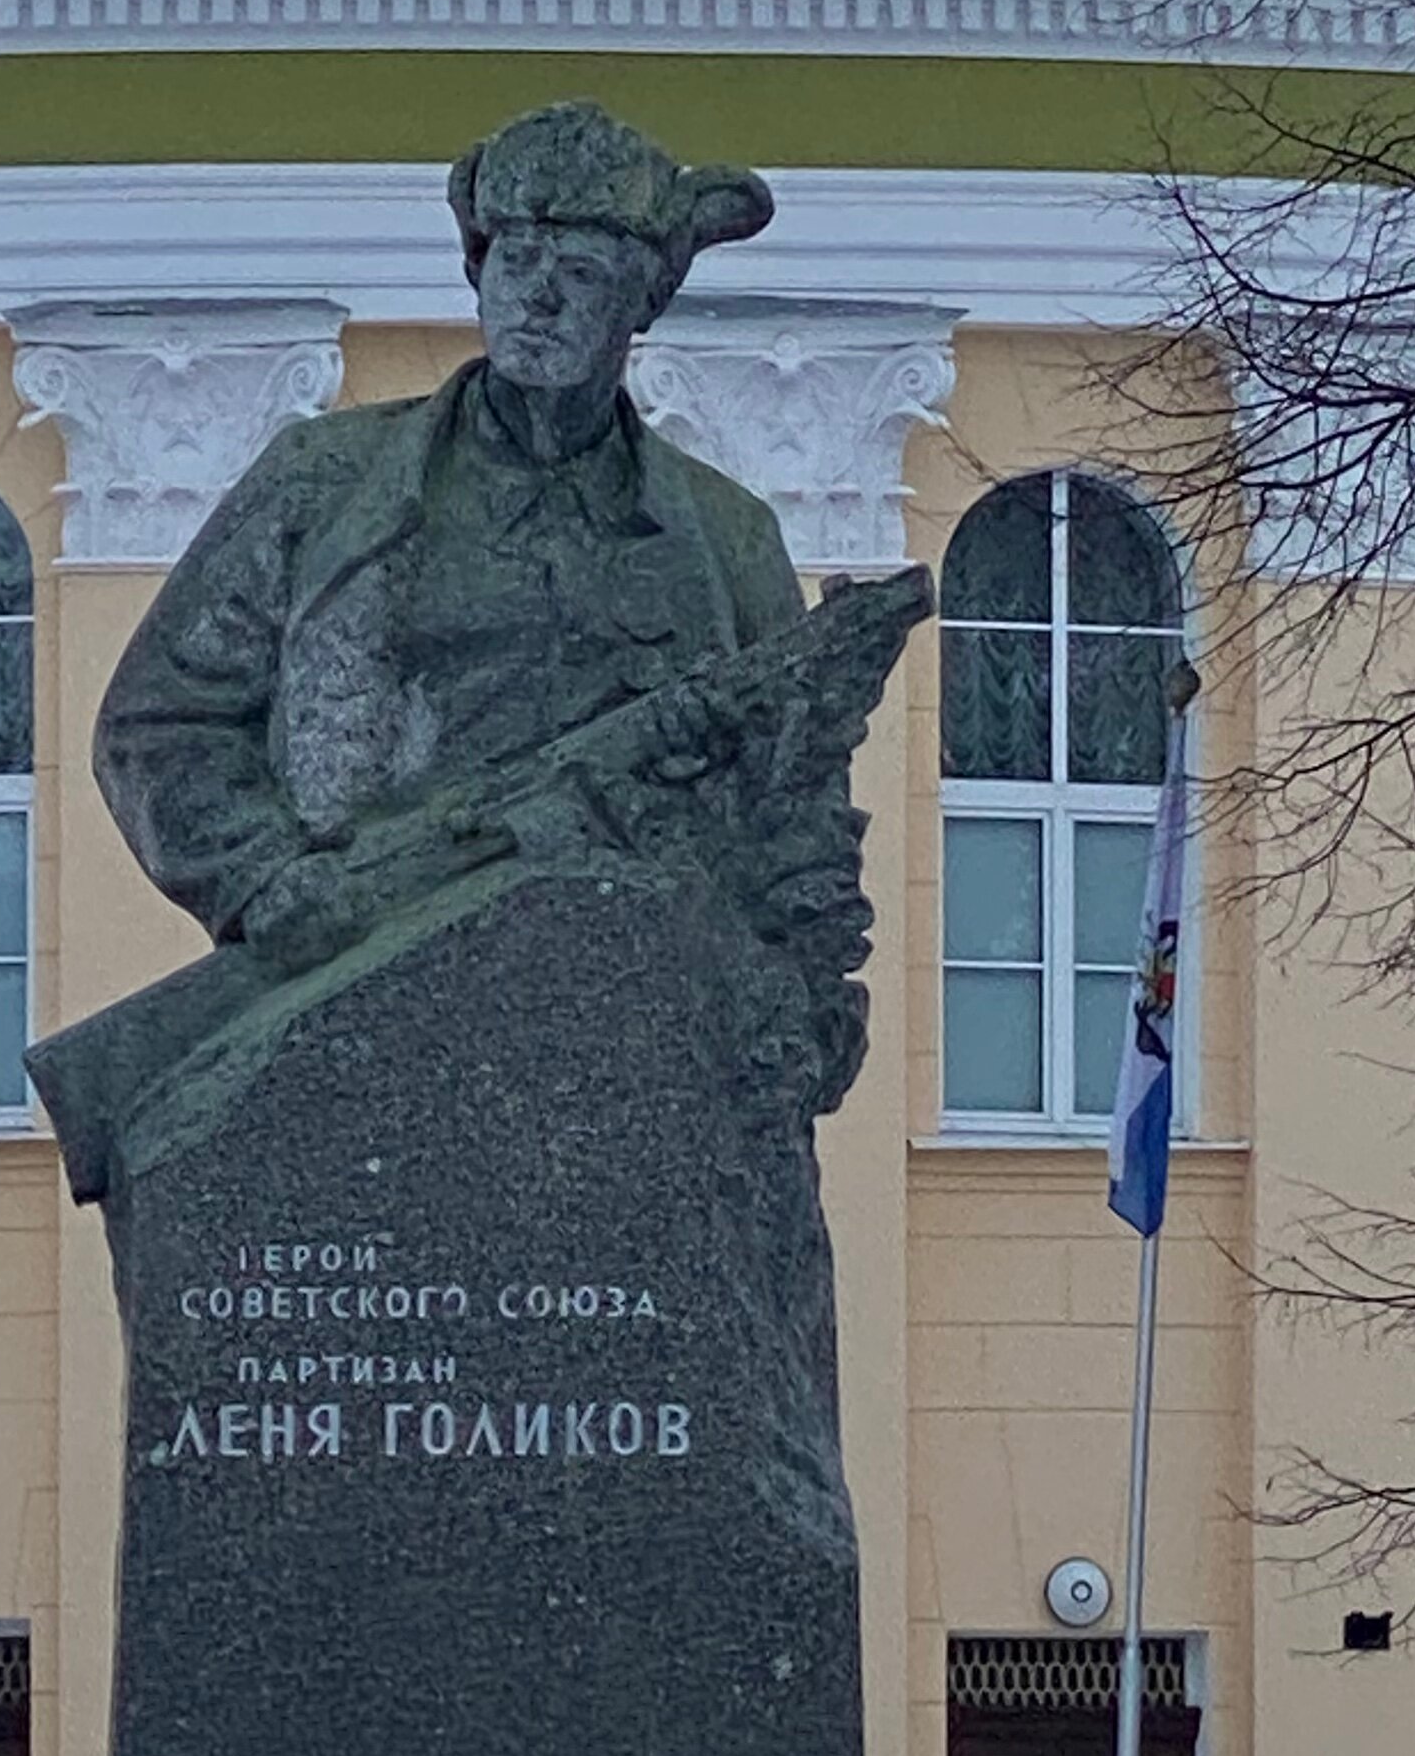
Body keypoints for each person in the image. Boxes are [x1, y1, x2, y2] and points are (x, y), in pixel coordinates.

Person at [89, 98, 910, 1124]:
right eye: (516, 261)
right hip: (360, 1014)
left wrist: (803, 1007)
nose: (539, 299)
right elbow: (159, 724)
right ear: (477, 271)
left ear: (642, 302)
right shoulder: (323, 485)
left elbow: (796, 812)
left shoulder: (728, 537)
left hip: (630, 1044)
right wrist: (263, 879)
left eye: (580, 273)